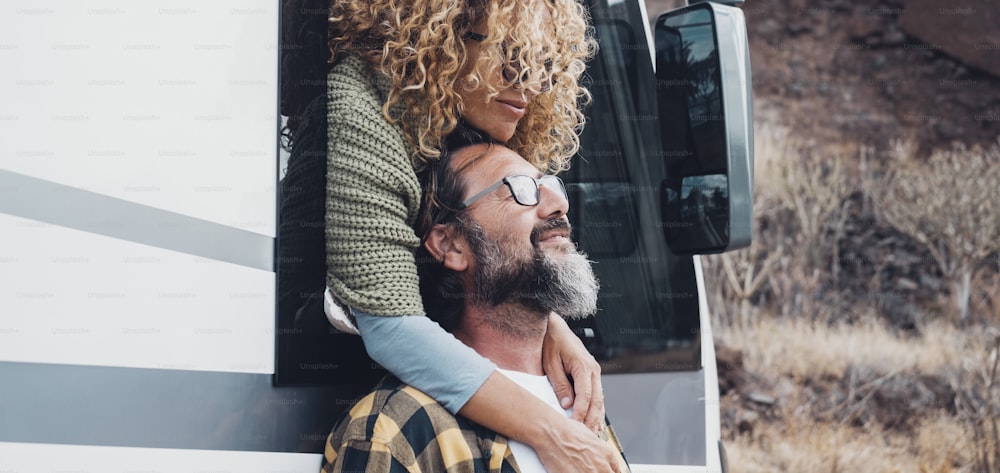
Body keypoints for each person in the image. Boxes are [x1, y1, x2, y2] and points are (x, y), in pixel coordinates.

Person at [314, 0, 622, 471]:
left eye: (543, 63)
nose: (532, 83)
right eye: (513, 56)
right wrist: (554, 433)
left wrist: (548, 326)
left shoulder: (462, 120)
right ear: (447, 40)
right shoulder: (362, 111)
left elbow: (497, 254)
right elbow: (391, 325)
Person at [321, 135, 631, 473]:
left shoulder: (580, 398)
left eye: (550, 184)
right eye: (521, 187)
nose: (559, 204)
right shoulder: (393, 431)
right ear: (451, 245)